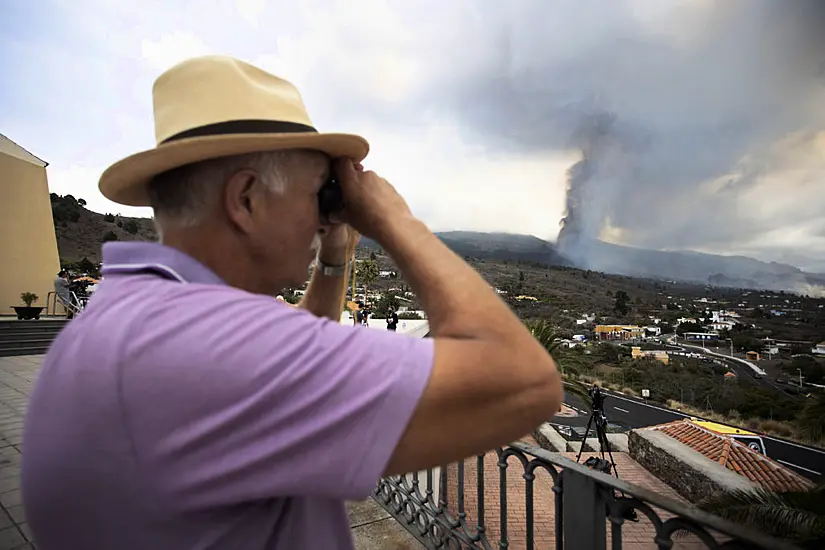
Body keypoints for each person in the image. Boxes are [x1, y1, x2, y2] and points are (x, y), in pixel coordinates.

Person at [21, 56, 562, 550]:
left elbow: (287, 350)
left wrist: (334, 260)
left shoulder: (131, 318)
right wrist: (394, 220)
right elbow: (525, 383)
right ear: (247, 199)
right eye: (320, 195)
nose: (329, 215)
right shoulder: (207, 350)